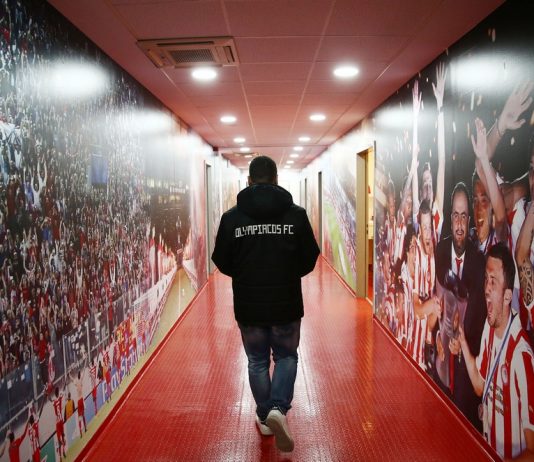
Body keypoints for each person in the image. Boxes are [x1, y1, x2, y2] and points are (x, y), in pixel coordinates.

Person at [212, 155, 320, 453]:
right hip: (286, 303)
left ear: (249, 181)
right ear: (276, 180)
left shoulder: (232, 218)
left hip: (249, 305)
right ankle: (278, 409)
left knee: (257, 361)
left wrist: (245, 275)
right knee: (286, 356)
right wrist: (287, 274)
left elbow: (222, 260)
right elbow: (310, 257)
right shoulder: (296, 215)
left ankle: (264, 416)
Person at [459, 243, 534, 459]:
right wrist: (462, 340)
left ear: (508, 296)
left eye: (493, 281)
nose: (486, 288)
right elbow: (480, 386)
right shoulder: (489, 327)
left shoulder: (521, 356)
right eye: (486, 279)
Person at [436, 182, 487, 431]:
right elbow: (437, 298)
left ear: (469, 220)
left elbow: (479, 321)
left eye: (464, 216)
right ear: (450, 218)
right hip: (442, 365)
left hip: (466, 375)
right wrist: (441, 336)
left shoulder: (479, 263)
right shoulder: (440, 251)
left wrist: (463, 340)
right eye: (455, 215)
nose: (459, 224)